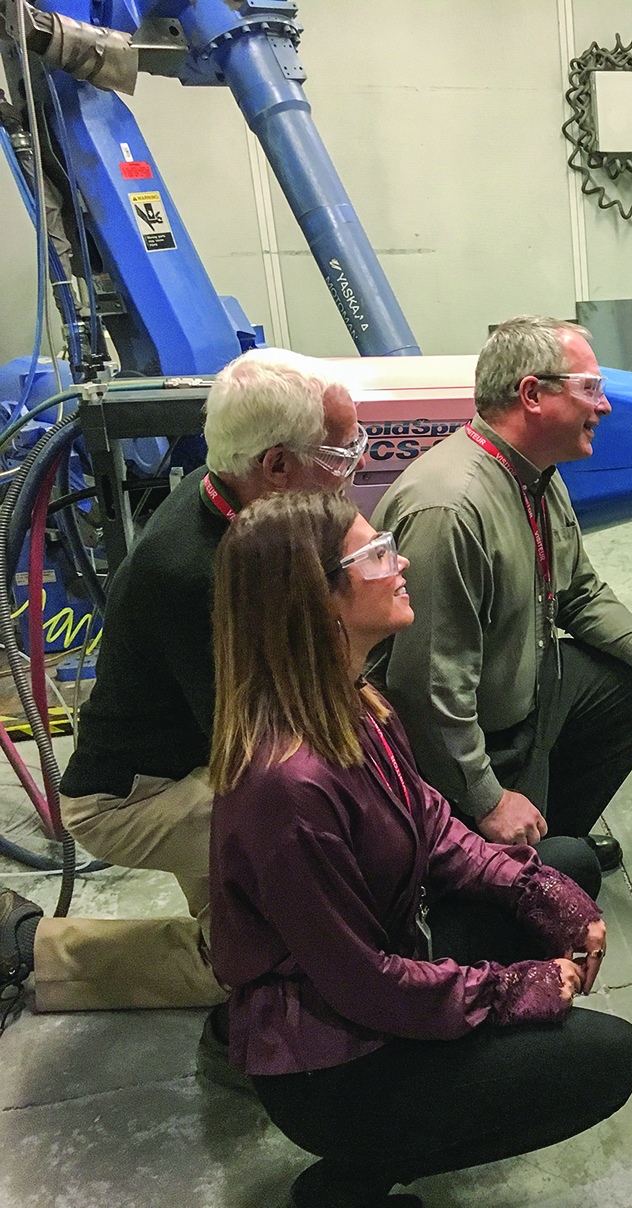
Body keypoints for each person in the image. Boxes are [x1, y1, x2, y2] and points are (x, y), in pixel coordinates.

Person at [208, 490, 632, 1208]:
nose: (399, 559)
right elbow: (365, 984)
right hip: (333, 1063)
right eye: (374, 554)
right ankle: (358, 1165)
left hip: (380, 965)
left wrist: (530, 889)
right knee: (608, 1057)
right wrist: (510, 992)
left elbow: (431, 823)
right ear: (321, 602)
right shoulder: (288, 789)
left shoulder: (354, 699)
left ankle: (401, 1129)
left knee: (563, 862)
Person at [1, 348, 368, 1018]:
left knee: (282, 901)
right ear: (277, 466)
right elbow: (264, 750)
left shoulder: (233, 494)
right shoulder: (197, 571)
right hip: (136, 797)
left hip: (199, 756)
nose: (356, 469)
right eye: (340, 455)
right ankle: (33, 948)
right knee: (272, 952)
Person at [372, 316, 632, 878]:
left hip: (526, 688)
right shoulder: (451, 510)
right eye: (590, 389)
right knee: (552, 880)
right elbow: (426, 691)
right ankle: (509, 841)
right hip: (462, 737)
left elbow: (580, 590)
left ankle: (549, 834)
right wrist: (485, 798)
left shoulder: (536, 474)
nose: (606, 407)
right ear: (532, 395)